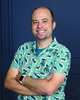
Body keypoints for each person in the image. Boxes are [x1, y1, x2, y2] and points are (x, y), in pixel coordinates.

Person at [4, 6, 71, 100]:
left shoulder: (62, 52)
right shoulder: (23, 48)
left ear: (53, 25)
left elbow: (49, 89)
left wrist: (21, 77)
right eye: (35, 22)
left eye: (44, 21)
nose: (39, 26)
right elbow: (8, 82)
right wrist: (40, 90)